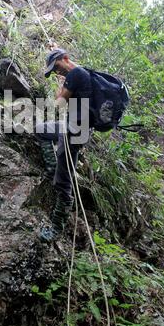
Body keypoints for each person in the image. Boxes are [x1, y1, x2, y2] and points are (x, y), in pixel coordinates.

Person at [35, 47, 93, 243]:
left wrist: (61, 87)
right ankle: (53, 168)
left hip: (74, 133)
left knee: (63, 182)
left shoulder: (76, 73)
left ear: (66, 59)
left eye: (58, 67)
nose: (58, 73)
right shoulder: (82, 74)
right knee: (41, 129)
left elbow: (58, 103)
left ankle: (56, 227)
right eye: (55, 71)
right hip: (71, 126)